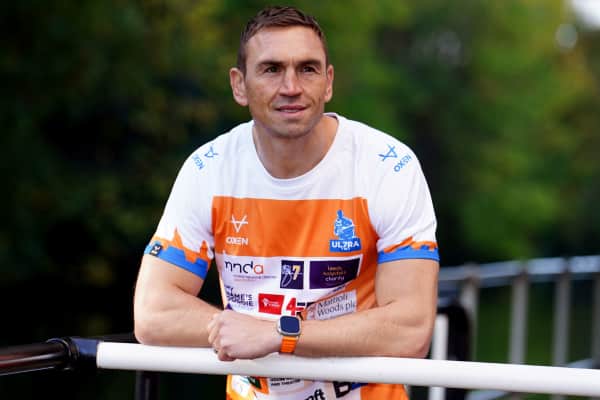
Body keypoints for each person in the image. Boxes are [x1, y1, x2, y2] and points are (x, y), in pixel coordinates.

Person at [133, 5, 440, 400]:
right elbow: (153, 314)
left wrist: (280, 334)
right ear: (239, 85)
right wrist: (239, 330)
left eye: (308, 69)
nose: (291, 86)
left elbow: (412, 330)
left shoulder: (388, 166)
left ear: (328, 83)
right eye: (271, 69)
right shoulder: (208, 169)